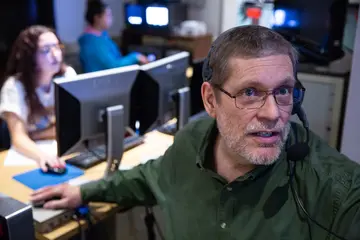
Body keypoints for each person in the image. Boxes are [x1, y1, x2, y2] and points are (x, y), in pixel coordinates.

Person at [30, 26, 360, 239]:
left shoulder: (329, 184)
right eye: (250, 93)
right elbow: (150, 176)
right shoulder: (194, 137)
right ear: (210, 100)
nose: (274, 113)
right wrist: (84, 192)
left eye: (284, 91)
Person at [0, 25, 77, 171]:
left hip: (62, 149)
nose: (55, 54)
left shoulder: (68, 75)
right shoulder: (15, 87)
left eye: (57, 47)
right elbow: (18, 138)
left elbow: (71, 125)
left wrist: (35, 135)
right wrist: (42, 156)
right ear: (30, 56)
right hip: (29, 156)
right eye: (46, 50)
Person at [78, 0, 148, 73]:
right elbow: (113, 66)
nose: (111, 18)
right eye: (108, 15)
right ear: (97, 18)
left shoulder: (101, 36)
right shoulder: (94, 42)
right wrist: (135, 57)